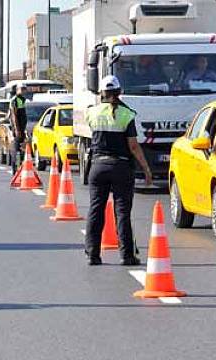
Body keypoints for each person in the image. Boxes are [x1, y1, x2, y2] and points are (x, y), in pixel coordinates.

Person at [84, 75, 153, 266]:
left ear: (101, 93)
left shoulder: (92, 113)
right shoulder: (126, 114)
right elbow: (133, 146)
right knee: (122, 212)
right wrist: (146, 169)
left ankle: (93, 254)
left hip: (98, 166)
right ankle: (127, 255)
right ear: (120, 92)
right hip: (121, 167)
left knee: (95, 210)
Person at [8, 84, 28, 173]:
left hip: (22, 128)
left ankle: (21, 167)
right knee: (16, 149)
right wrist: (17, 130)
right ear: (17, 90)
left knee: (22, 148)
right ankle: (14, 169)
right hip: (18, 129)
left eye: (25, 89)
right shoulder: (15, 100)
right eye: (22, 89)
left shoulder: (22, 100)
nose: (24, 91)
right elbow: (14, 116)